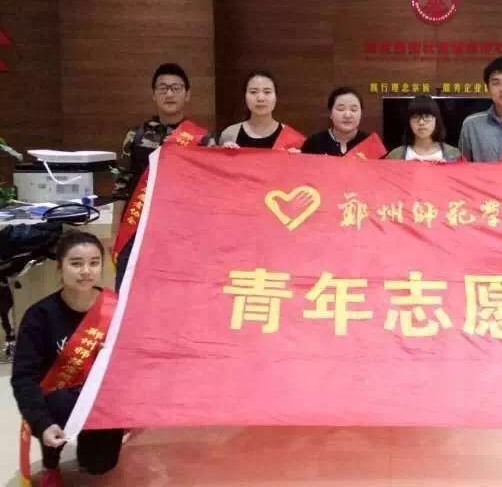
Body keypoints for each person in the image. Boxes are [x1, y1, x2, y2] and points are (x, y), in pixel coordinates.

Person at [12, 231, 123, 487]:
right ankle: (51, 462)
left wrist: (115, 357)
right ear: (60, 268)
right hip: (58, 398)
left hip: (101, 398)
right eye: (76, 263)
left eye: (94, 263)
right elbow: (24, 377)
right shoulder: (39, 316)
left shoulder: (116, 308)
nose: (86, 271)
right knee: (57, 405)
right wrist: (41, 422)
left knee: (99, 466)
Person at [112, 63, 210, 291]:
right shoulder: (135, 135)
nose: (169, 94)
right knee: (130, 290)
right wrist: (114, 232)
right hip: (138, 229)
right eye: (163, 88)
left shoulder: (203, 140)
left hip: (182, 231)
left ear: (187, 94)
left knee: (177, 293)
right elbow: (121, 187)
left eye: (176, 88)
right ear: (154, 95)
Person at [218, 71, 304, 149]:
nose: (260, 98)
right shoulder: (229, 134)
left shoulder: (295, 140)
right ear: (245, 96)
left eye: (267, 92)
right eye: (253, 92)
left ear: (276, 97)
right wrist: (226, 154)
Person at [384, 95, 462, 162]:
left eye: (427, 116)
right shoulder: (394, 156)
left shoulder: (454, 155)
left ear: (436, 120)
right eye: (415, 117)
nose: (421, 122)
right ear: (409, 122)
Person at [301, 87, 371, 156]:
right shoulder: (314, 143)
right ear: (330, 113)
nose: (347, 115)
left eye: (353, 110)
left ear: (361, 114)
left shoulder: (370, 143)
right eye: (341, 109)